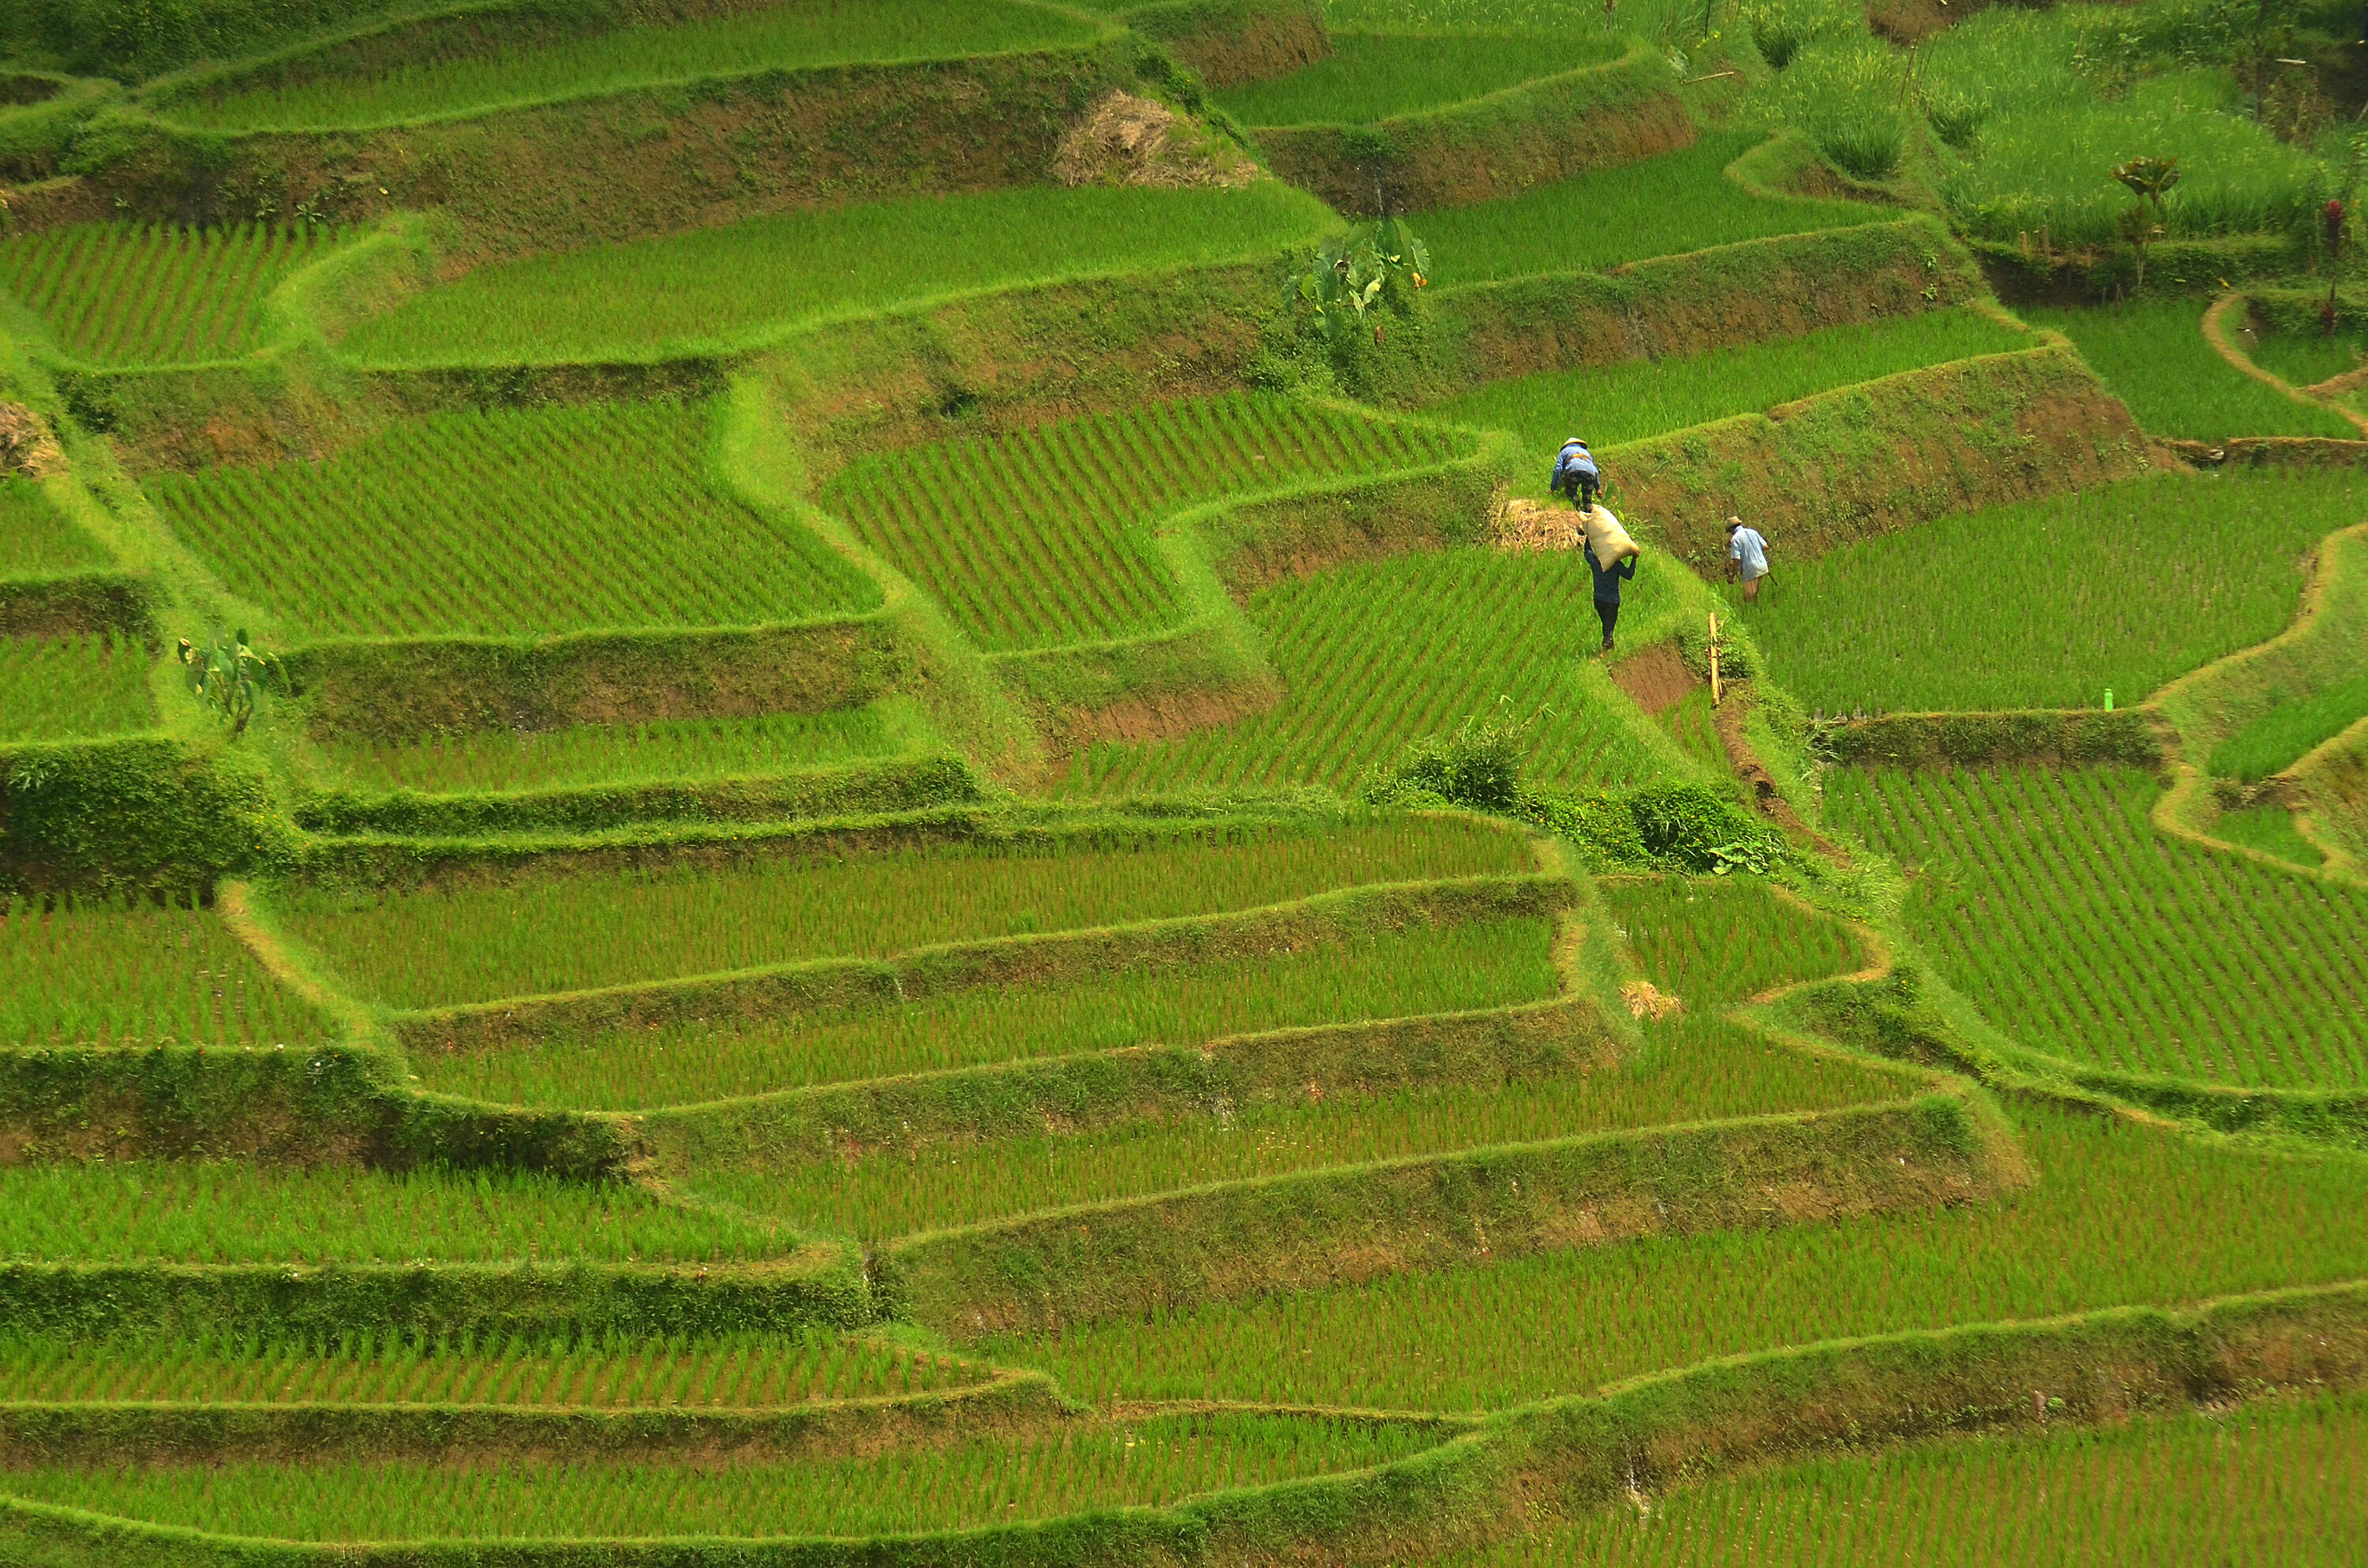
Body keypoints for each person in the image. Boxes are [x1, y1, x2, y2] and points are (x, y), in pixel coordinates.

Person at [1583, 535, 1635, 654]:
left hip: (1599, 600)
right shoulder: (1615, 564)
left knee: (1607, 625)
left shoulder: (1596, 561)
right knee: (1609, 627)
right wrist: (1634, 560)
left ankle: (1611, 648)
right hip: (1612, 601)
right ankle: (1604, 649)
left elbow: (1587, 551)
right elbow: (1629, 575)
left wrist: (1589, 536)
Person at [1726, 516, 1770, 603]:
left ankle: (1751, 611)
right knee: (1755, 594)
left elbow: (1736, 559)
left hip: (1750, 569)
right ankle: (1757, 611)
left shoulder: (1735, 539)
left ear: (1732, 529)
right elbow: (1765, 546)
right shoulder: (1753, 532)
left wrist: (1733, 575)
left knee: (1748, 598)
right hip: (1763, 566)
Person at [1550, 436, 1599, 514]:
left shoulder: (1565, 451)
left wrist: (1553, 488)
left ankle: (1577, 511)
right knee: (1587, 498)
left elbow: (1558, 469)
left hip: (1574, 471)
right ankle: (1588, 515)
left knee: (1571, 492)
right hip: (1590, 473)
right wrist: (1598, 488)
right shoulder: (1587, 453)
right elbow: (1595, 471)